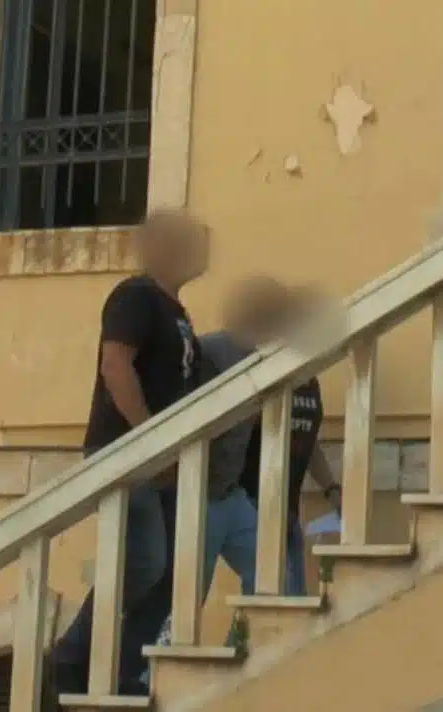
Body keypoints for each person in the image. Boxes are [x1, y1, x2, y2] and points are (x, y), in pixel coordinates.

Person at [50, 209, 211, 697]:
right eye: (191, 238)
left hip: (163, 459)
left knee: (169, 574)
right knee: (144, 561)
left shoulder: (177, 313)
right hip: (125, 450)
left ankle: (123, 670)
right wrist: (148, 437)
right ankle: (71, 657)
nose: (202, 246)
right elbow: (116, 366)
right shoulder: (135, 296)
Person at [146, 277, 301, 660]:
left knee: (276, 576)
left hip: (231, 496)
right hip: (198, 495)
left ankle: (244, 651)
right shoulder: (212, 349)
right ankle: (150, 673)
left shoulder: (268, 358)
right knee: (185, 597)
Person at [239, 284, 342, 596]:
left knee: (289, 597)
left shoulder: (309, 381)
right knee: (277, 593)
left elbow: (308, 441)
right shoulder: (264, 372)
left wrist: (332, 489)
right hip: (254, 505)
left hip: (288, 508)